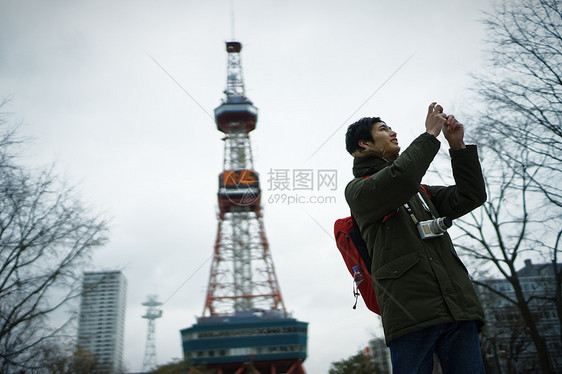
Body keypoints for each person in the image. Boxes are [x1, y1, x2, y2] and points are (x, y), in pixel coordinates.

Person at [344, 102, 486, 374]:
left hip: (457, 308)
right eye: (383, 129)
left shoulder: (418, 190)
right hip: (410, 315)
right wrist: (430, 136)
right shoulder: (359, 191)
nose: (393, 132)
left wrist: (458, 149)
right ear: (364, 144)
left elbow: (471, 196)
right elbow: (399, 178)